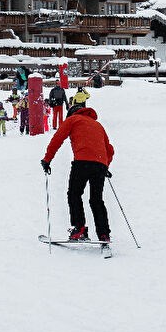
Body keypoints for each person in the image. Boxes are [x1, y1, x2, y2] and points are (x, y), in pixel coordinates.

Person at [40, 100, 115, 245]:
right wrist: (106, 166)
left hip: (82, 163)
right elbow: (109, 150)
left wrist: (47, 159)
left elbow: (58, 138)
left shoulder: (73, 120)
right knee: (96, 200)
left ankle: (79, 228)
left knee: (74, 194)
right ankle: (104, 234)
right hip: (100, 165)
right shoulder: (98, 125)